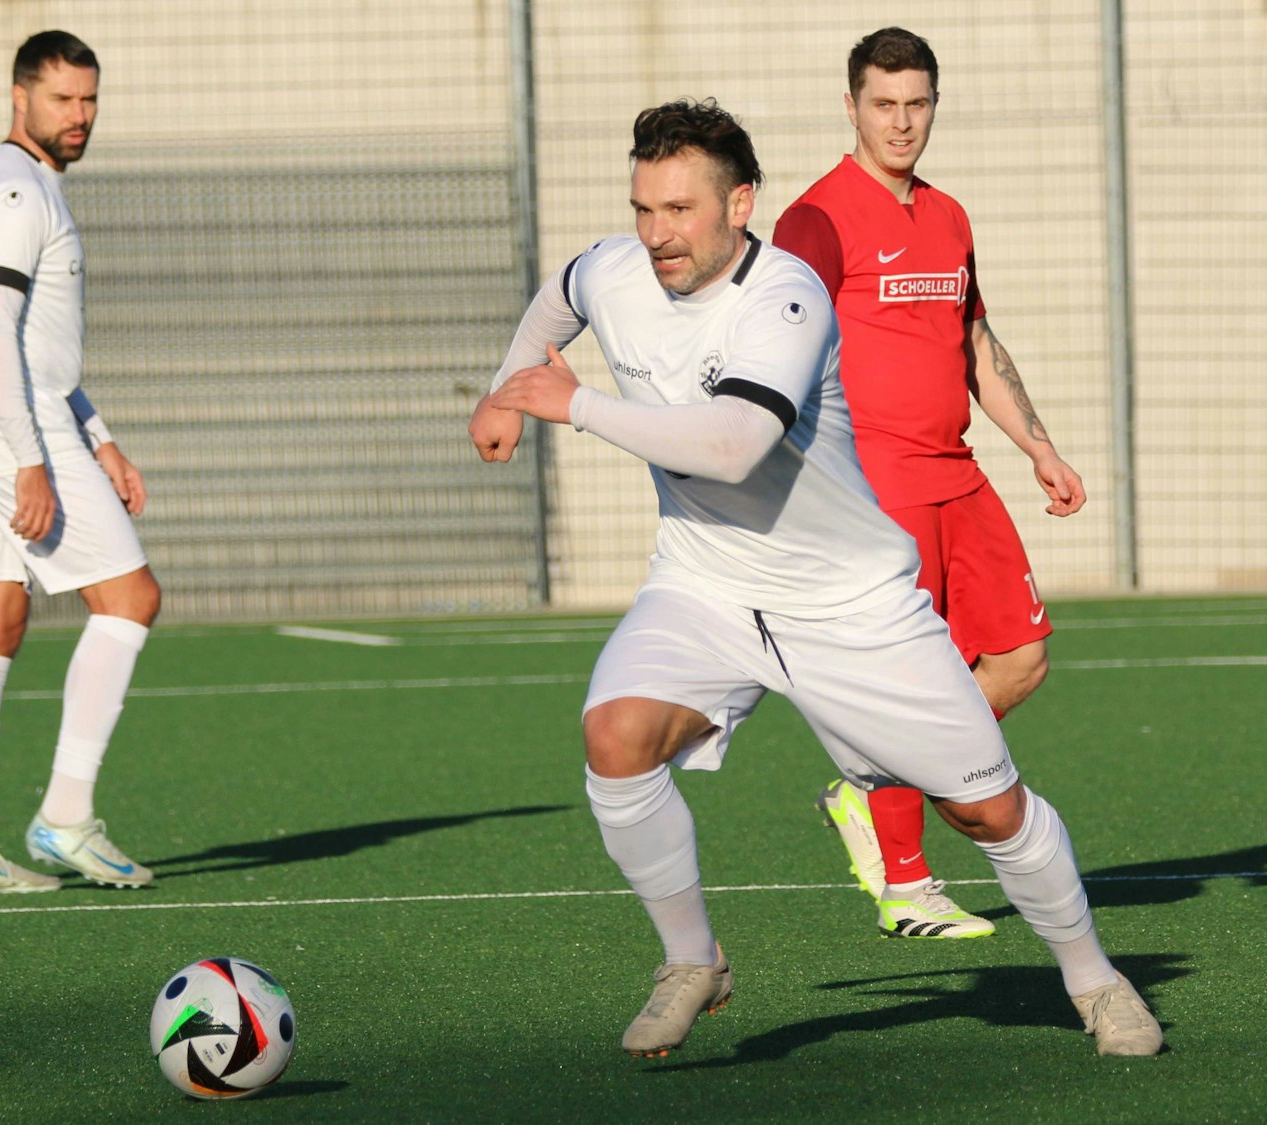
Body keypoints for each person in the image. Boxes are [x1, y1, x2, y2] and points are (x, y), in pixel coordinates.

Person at [469, 98, 1160, 1057]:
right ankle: (692, 960)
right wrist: (507, 387)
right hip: (705, 586)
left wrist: (573, 403)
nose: (658, 233)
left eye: (680, 210)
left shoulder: (787, 297)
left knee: (985, 808)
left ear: (740, 203)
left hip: (851, 603)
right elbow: (563, 297)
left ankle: (1095, 979)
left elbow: (734, 443)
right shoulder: (617, 267)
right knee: (616, 738)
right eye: (644, 208)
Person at [772, 27, 1086, 941]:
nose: (901, 122)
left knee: (1021, 658)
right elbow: (781, 353)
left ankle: (871, 784)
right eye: (883, 104)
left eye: (916, 104)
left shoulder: (949, 217)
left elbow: (976, 345)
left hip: (959, 477)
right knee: (913, 678)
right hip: (874, 488)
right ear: (852, 107)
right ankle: (906, 881)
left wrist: (1040, 447)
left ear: (934, 106)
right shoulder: (815, 221)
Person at [0, 31, 160, 895]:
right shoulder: (23, 191)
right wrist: (34, 460)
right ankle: (65, 816)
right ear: (20, 97)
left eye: (90, 100)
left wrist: (98, 435)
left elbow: (37, 351)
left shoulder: (12, 185)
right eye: (63, 100)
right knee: (130, 598)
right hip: (5, 432)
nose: (80, 117)